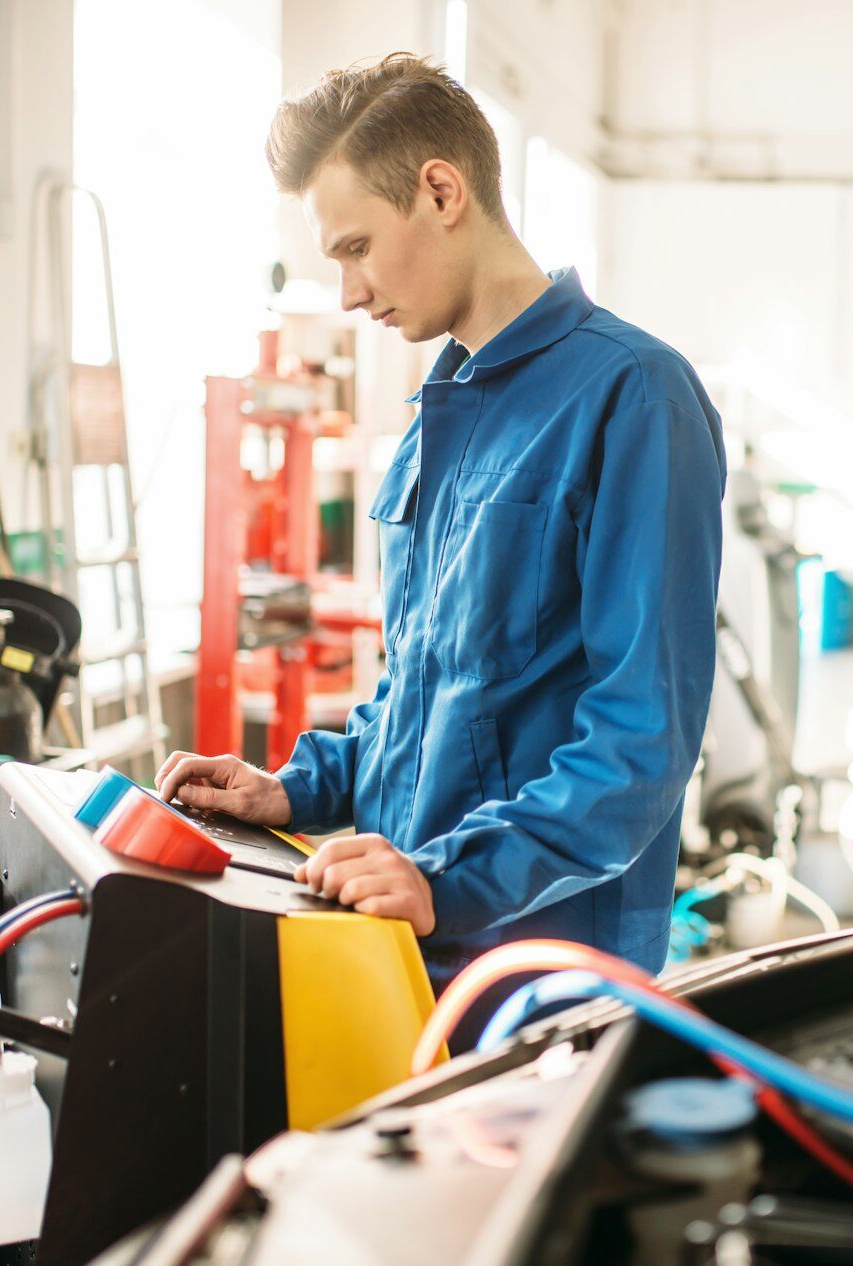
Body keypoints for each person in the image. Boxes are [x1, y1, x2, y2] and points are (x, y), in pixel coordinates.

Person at [158, 53, 724, 997]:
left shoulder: (631, 396)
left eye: (354, 248)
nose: (346, 292)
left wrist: (448, 878)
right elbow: (424, 697)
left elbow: (641, 743)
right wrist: (296, 788)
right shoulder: (438, 411)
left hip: (540, 968)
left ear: (441, 189)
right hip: (408, 940)